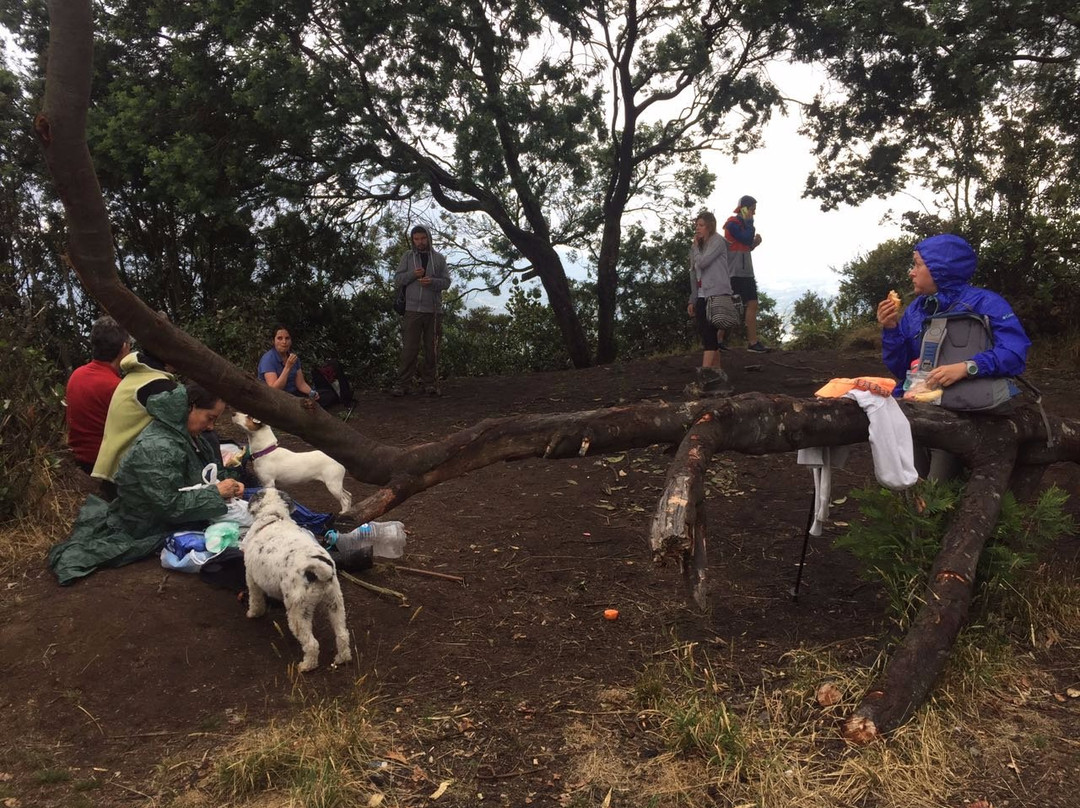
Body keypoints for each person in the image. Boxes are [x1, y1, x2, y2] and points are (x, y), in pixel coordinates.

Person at [49, 383, 244, 585]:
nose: (211, 426)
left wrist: (232, 482)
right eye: (210, 418)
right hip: (146, 523)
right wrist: (216, 493)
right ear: (190, 407)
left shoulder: (190, 437)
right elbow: (169, 506)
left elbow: (208, 470)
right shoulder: (158, 447)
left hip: (182, 511)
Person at [876, 233, 1030, 478]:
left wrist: (968, 367)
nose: (911, 272)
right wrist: (891, 329)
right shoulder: (918, 308)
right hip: (919, 407)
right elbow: (904, 368)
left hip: (967, 409)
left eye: (917, 264)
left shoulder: (986, 303)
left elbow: (1014, 353)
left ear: (940, 269)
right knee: (910, 480)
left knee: (939, 484)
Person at [91, 347, 178, 495]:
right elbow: (181, 428)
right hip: (126, 478)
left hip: (111, 469)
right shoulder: (159, 385)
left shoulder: (136, 376)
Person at [65, 315, 131, 474]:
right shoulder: (118, 387)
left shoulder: (76, 375)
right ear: (123, 348)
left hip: (77, 461)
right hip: (104, 468)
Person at [392, 225, 451, 396]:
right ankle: (403, 384)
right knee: (409, 349)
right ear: (412, 240)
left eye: (423, 238)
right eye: (416, 239)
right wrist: (413, 275)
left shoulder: (439, 258)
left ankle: (430, 384)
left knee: (431, 349)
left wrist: (432, 281)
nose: (420, 242)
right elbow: (398, 279)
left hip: (433, 310)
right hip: (412, 309)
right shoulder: (408, 257)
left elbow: (446, 282)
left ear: (429, 238)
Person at [686, 211, 735, 392]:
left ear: (710, 226)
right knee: (709, 335)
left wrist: (696, 249)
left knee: (709, 335)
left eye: (701, 225)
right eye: (696, 225)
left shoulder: (717, 241)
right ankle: (718, 376)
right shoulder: (696, 247)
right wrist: (692, 299)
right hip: (701, 295)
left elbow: (703, 262)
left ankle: (705, 378)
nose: (697, 228)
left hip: (716, 293)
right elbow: (693, 273)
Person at [722, 195, 769, 353]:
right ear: (744, 208)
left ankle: (752, 342)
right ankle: (718, 341)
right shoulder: (732, 224)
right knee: (731, 306)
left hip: (745, 271)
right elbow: (745, 237)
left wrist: (754, 244)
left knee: (752, 304)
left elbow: (746, 245)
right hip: (735, 272)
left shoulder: (742, 224)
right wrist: (750, 224)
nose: (753, 213)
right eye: (752, 209)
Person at [258, 325, 319, 402]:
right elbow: (274, 390)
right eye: (280, 338)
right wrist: (287, 367)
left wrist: (311, 393)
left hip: (293, 395)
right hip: (275, 399)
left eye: (287, 338)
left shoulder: (293, 357)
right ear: (273, 341)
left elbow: (300, 384)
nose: (284, 342)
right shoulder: (268, 359)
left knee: (323, 396)